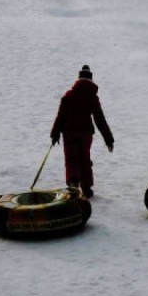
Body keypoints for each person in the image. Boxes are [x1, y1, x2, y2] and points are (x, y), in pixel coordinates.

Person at [50, 65, 114, 198]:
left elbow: (60, 115)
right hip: (86, 134)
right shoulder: (92, 97)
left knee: (71, 158)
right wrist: (108, 139)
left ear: (79, 78)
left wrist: (55, 134)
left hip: (69, 132)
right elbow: (99, 119)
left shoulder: (69, 95)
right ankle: (86, 188)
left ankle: (73, 183)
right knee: (84, 158)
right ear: (91, 79)